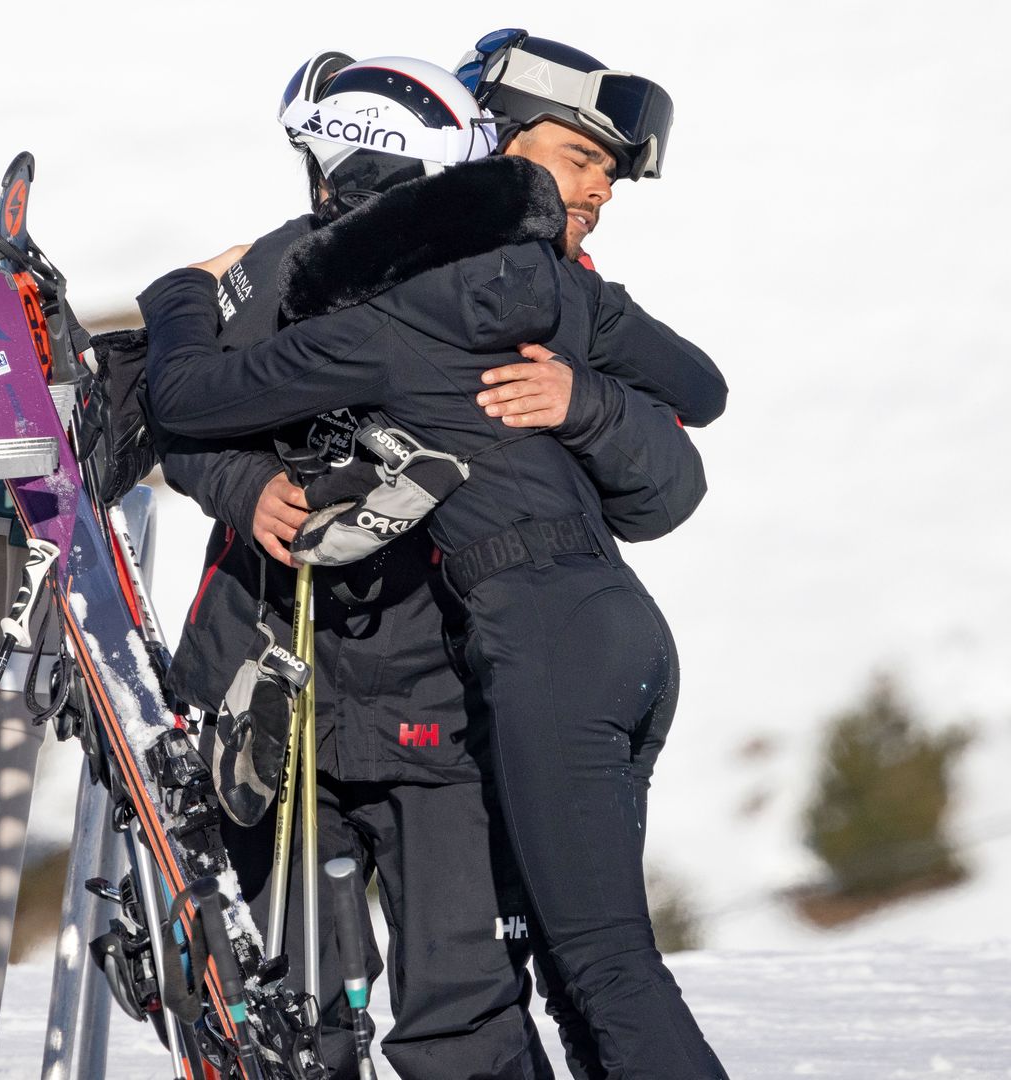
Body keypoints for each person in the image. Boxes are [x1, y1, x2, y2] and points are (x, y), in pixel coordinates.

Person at [141, 39, 730, 1080]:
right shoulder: (306, 263)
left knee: (483, 1016)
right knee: (293, 1029)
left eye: (609, 166)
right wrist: (242, 486)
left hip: (455, 707)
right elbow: (170, 410)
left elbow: (672, 482)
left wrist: (585, 405)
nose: (600, 186)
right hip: (281, 695)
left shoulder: (551, 290)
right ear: (487, 146)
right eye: (578, 155)